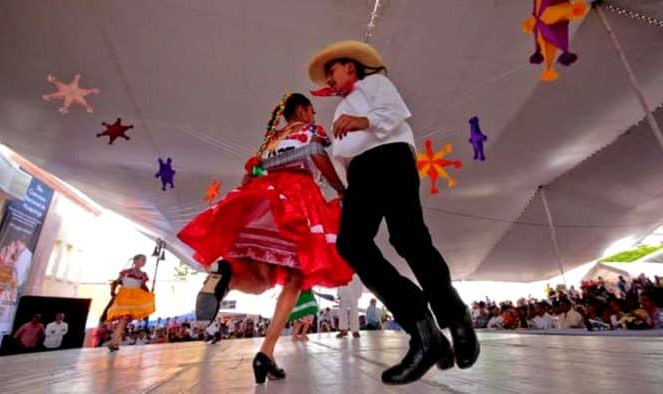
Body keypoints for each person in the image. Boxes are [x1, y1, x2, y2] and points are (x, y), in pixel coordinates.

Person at [307, 40, 479, 384]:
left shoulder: (374, 84)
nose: (329, 79)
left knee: (408, 238)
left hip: (390, 158)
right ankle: (423, 330)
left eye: (333, 71)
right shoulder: (341, 110)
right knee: (351, 244)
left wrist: (361, 121)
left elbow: (395, 113)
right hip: (361, 174)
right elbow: (346, 153)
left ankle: (453, 314)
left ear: (351, 67)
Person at [177, 93, 353, 384]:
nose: (314, 116)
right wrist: (339, 187)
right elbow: (318, 155)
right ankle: (266, 351)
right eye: (312, 111)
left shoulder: (271, 139)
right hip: (296, 198)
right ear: (302, 110)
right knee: (295, 279)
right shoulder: (309, 131)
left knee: (261, 281)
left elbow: (251, 175)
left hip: (264, 201)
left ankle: (228, 277)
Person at [105, 254, 155, 352]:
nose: (144, 262)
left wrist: (149, 294)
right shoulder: (126, 272)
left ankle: (114, 342)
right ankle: (113, 342)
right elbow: (116, 282)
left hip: (134, 299)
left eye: (145, 260)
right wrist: (112, 292)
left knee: (123, 321)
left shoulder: (143, 275)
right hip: (124, 297)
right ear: (135, 260)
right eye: (142, 260)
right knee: (123, 320)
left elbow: (143, 288)